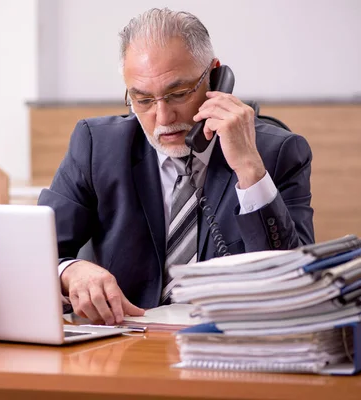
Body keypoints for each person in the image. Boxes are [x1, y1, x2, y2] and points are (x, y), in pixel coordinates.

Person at [38, 8, 314, 326]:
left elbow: (295, 286)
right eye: (142, 99)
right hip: (126, 349)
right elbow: (35, 254)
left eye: (178, 93)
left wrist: (249, 171)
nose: (163, 117)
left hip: (231, 349)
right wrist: (69, 271)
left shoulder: (278, 153)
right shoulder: (97, 146)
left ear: (216, 76)